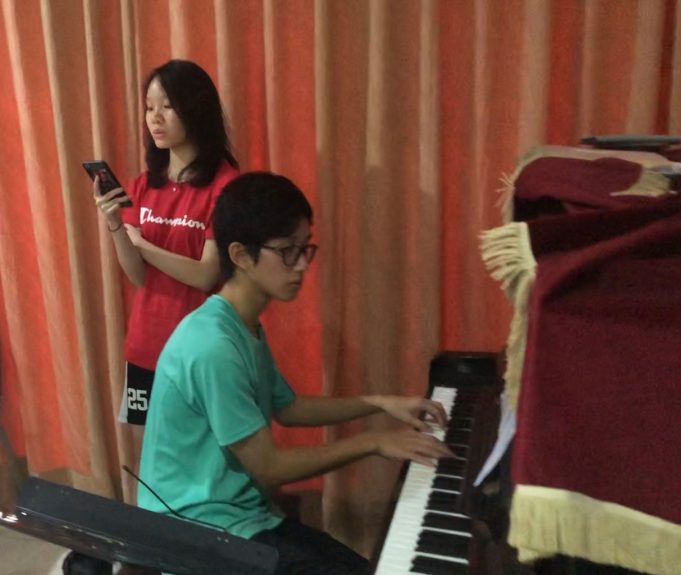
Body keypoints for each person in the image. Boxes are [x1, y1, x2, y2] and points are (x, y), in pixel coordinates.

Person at [137, 172, 455, 574]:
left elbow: (287, 407)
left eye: (305, 248)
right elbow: (268, 467)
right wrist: (373, 442)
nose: (302, 265)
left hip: (240, 516)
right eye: (288, 251)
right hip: (195, 535)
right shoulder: (213, 345)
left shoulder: (242, 325)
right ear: (240, 255)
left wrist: (379, 403)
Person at [94, 59, 239, 455]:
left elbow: (207, 275)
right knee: (152, 456)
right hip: (146, 342)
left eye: (167, 106)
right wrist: (114, 224)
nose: (154, 118)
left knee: (202, 455)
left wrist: (143, 246)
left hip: (200, 348)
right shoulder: (144, 185)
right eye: (149, 107)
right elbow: (139, 277)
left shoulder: (225, 186)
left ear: (195, 109)